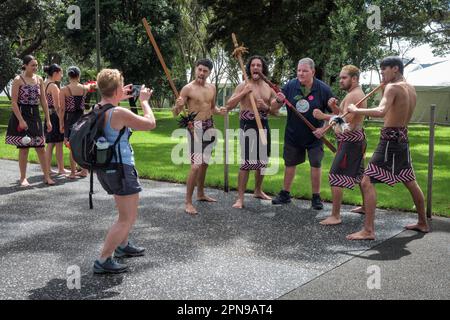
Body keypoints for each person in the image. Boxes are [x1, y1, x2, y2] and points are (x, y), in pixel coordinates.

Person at [346, 56, 429, 240]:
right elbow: (395, 108)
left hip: (390, 141)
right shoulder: (409, 88)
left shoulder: (393, 87)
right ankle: (422, 222)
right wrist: (384, 87)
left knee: (366, 182)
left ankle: (368, 230)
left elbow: (381, 111)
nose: (381, 72)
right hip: (402, 138)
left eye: (384, 69)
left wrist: (355, 109)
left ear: (396, 69)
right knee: (409, 180)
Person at [93, 68, 156, 274]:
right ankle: (103, 259)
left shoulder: (97, 108)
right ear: (117, 88)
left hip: (107, 168)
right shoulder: (118, 113)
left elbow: (110, 107)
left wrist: (119, 95)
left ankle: (122, 245)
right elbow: (150, 124)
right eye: (122, 86)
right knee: (126, 217)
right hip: (120, 169)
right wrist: (144, 101)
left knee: (124, 212)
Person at [270, 58, 339, 209]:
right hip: (293, 134)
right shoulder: (290, 86)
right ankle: (285, 194)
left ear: (313, 72)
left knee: (316, 163)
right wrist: (278, 100)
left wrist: (324, 129)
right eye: (299, 70)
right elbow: (273, 108)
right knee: (290, 164)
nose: (301, 73)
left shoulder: (323, 89)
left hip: (315, 136)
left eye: (305, 71)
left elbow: (336, 114)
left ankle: (316, 197)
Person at [313, 65, 367, 225]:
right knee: (360, 176)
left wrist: (323, 116)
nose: (340, 80)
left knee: (335, 175)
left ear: (354, 79)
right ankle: (365, 206)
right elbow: (343, 114)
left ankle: (335, 216)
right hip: (355, 141)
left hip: (350, 142)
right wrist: (334, 108)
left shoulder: (354, 95)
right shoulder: (353, 94)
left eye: (344, 78)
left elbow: (344, 123)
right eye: (341, 77)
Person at [173, 59, 226, 215]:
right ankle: (188, 202)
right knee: (195, 166)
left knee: (204, 163)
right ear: (195, 69)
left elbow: (212, 107)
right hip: (194, 127)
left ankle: (201, 194)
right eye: (200, 69)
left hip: (210, 126)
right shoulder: (187, 89)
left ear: (209, 73)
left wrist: (220, 111)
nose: (202, 73)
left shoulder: (212, 88)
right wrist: (178, 105)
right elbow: (175, 113)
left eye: (205, 71)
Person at [226, 55, 275, 208]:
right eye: (253, 65)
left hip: (264, 124)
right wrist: (243, 93)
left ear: (263, 69)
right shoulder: (243, 85)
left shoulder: (268, 87)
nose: (255, 67)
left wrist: (265, 107)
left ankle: (258, 190)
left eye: (258, 65)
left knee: (263, 161)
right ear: (249, 68)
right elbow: (229, 105)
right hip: (247, 125)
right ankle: (240, 198)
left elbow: (274, 110)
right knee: (246, 162)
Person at [5, 55, 55, 186]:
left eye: (36, 65)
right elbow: (14, 103)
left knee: (40, 147)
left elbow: (43, 101)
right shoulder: (18, 80)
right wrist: (21, 120)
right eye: (32, 65)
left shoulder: (39, 79)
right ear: (25, 65)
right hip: (22, 113)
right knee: (24, 148)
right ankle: (23, 178)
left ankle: (46, 177)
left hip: (35, 115)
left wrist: (48, 120)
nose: (35, 67)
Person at [60, 66, 95, 179]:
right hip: (82, 118)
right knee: (82, 144)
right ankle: (84, 170)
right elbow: (94, 85)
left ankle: (73, 172)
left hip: (70, 119)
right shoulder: (84, 88)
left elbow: (62, 109)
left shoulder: (64, 90)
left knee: (71, 146)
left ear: (69, 76)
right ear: (79, 76)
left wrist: (61, 123)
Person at [43, 64, 69, 176]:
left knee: (51, 143)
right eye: (61, 73)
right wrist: (62, 121)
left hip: (48, 116)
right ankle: (60, 169)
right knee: (56, 144)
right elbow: (57, 106)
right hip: (54, 117)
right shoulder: (53, 86)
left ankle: (48, 169)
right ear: (55, 73)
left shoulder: (44, 83)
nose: (62, 76)